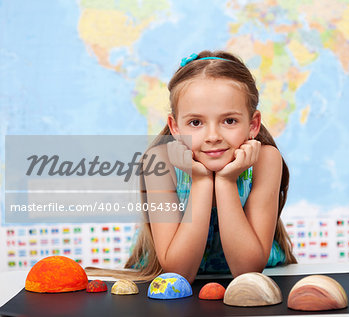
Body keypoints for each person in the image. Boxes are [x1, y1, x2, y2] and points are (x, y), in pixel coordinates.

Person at [86, 50, 296, 283]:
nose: (213, 136)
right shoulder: (160, 163)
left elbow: (247, 271)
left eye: (229, 121)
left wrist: (226, 181)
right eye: (196, 122)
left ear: (253, 124)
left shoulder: (265, 161)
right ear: (175, 128)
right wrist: (201, 180)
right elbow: (179, 273)